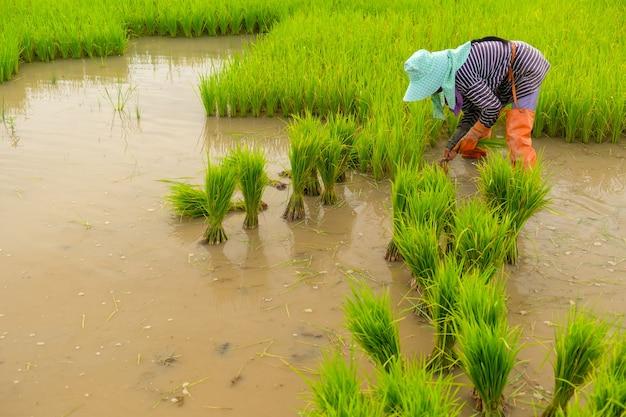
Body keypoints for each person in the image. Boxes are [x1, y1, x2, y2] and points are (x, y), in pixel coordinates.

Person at [402, 36, 549, 169]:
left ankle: (523, 180)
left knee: (517, 130)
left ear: (434, 78)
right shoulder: (449, 76)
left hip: (525, 67)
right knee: (479, 119)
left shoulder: (461, 72)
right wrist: (454, 143)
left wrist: (473, 134)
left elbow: (492, 108)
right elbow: (473, 112)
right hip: (504, 74)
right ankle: (476, 159)